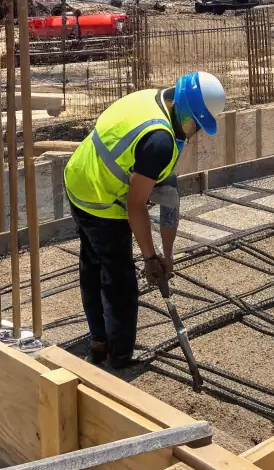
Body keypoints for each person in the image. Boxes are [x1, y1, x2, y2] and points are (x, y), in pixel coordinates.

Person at [64, 71, 226, 369]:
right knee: (120, 278)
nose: (196, 133)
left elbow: (169, 198)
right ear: (189, 112)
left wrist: (168, 254)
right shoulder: (160, 142)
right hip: (99, 199)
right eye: (197, 125)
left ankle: (99, 341)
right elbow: (136, 206)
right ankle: (120, 355)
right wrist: (150, 258)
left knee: (92, 262)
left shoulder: (156, 101)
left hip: (78, 176)